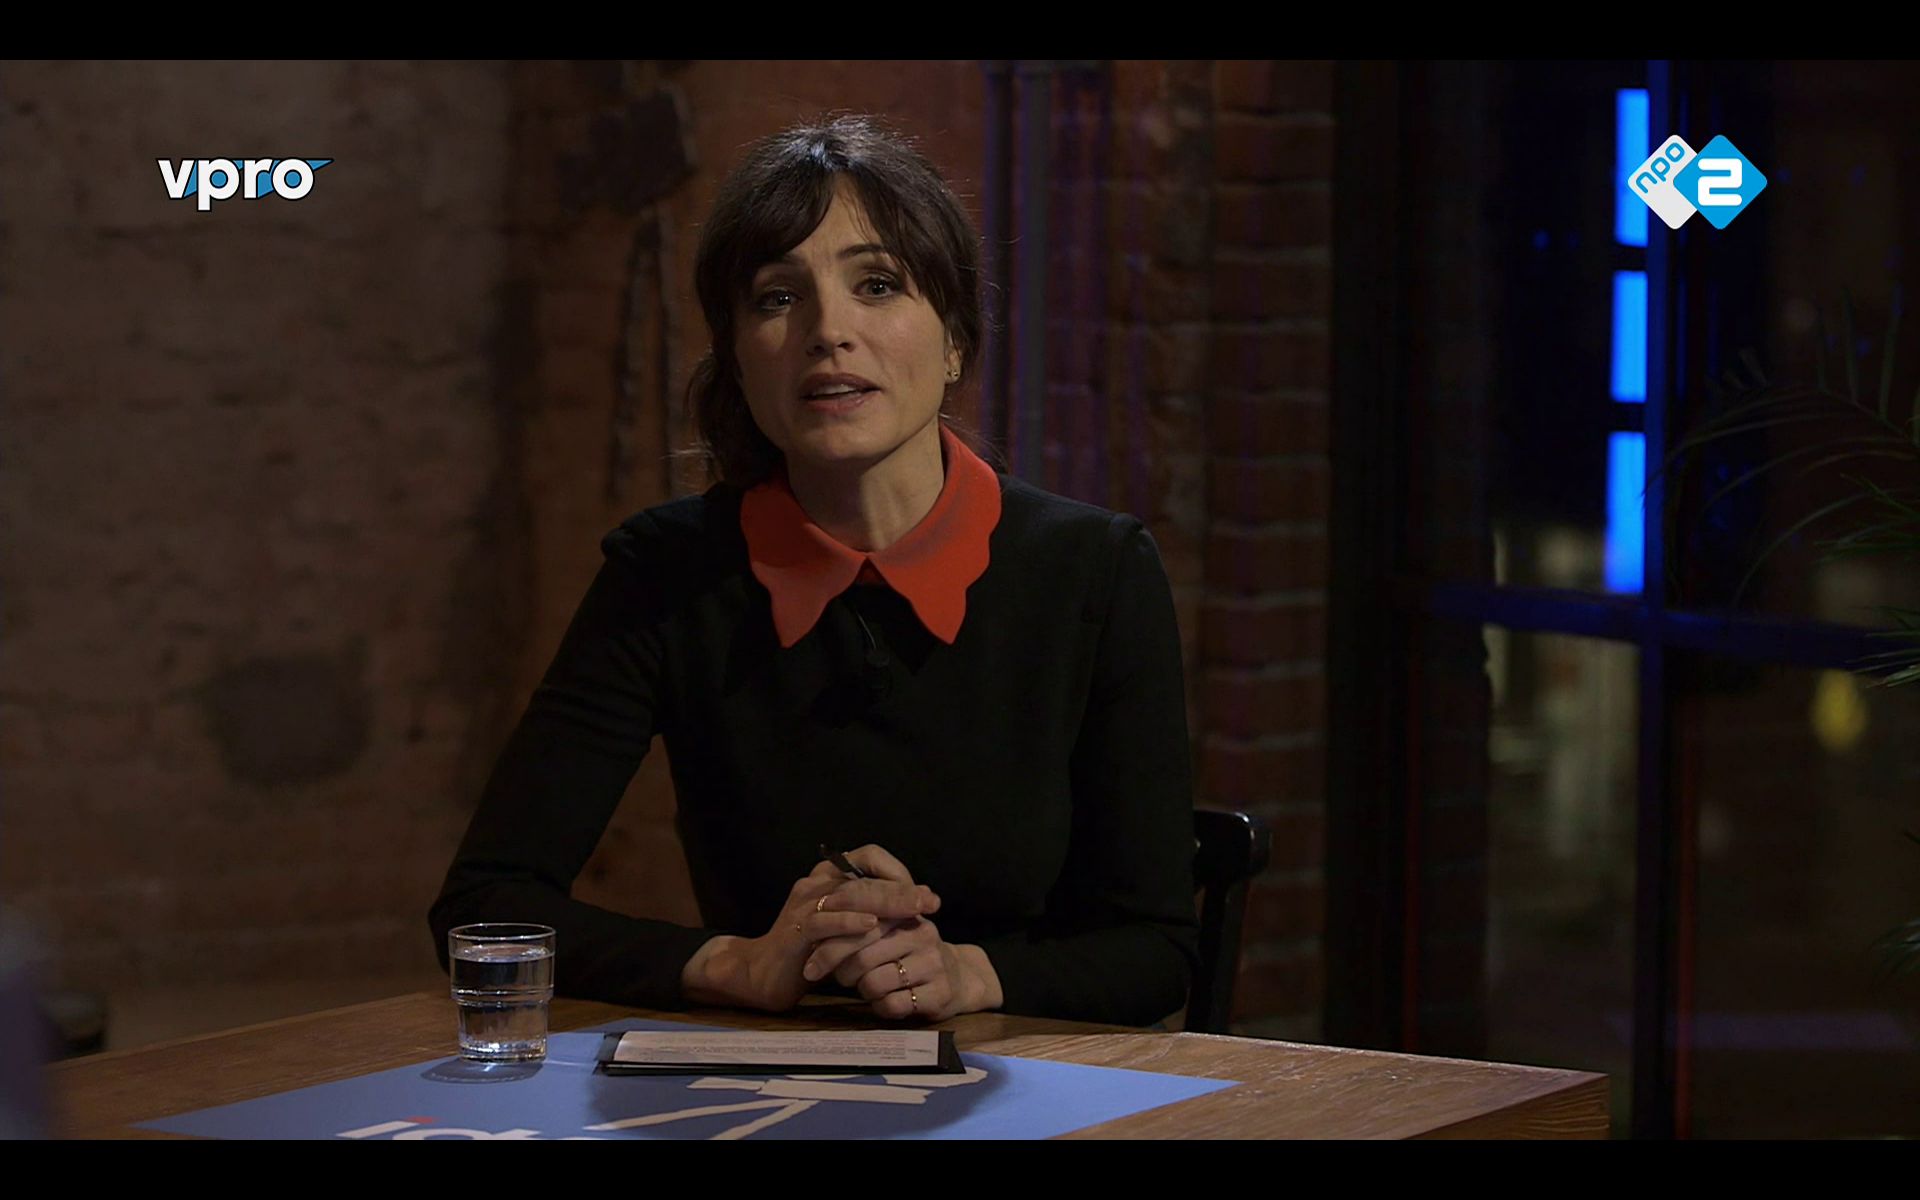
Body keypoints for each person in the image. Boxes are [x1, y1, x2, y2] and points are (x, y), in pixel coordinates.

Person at [428, 115, 1199, 1029]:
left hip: (1026, 1077)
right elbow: (485, 909)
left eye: (877, 285)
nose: (829, 332)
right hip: (760, 1079)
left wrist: (968, 974)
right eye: (778, 297)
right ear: (738, 359)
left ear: (956, 340)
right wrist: (735, 963)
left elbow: (1155, 950)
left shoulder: (1094, 573)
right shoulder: (665, 572)